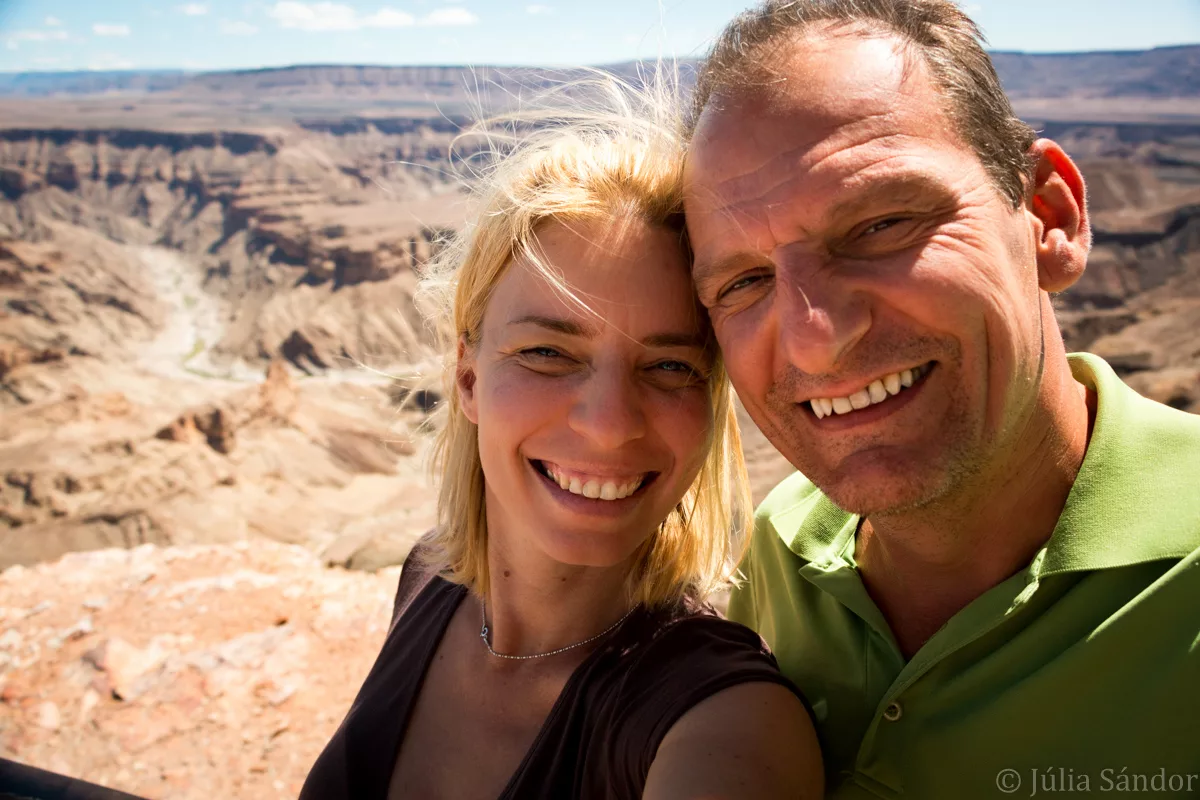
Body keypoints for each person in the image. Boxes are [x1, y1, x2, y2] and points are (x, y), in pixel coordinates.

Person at [682, 0, 1200, 797]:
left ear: (1049, 217)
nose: (817, 338)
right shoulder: (781, 553)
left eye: (882, 224)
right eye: (745, 281)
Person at [299, 80, 822, 800]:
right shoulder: (431, 578)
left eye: (670, 366)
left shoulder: (725, 722)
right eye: (548, 353)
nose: (609, 423)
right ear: (469, 377)